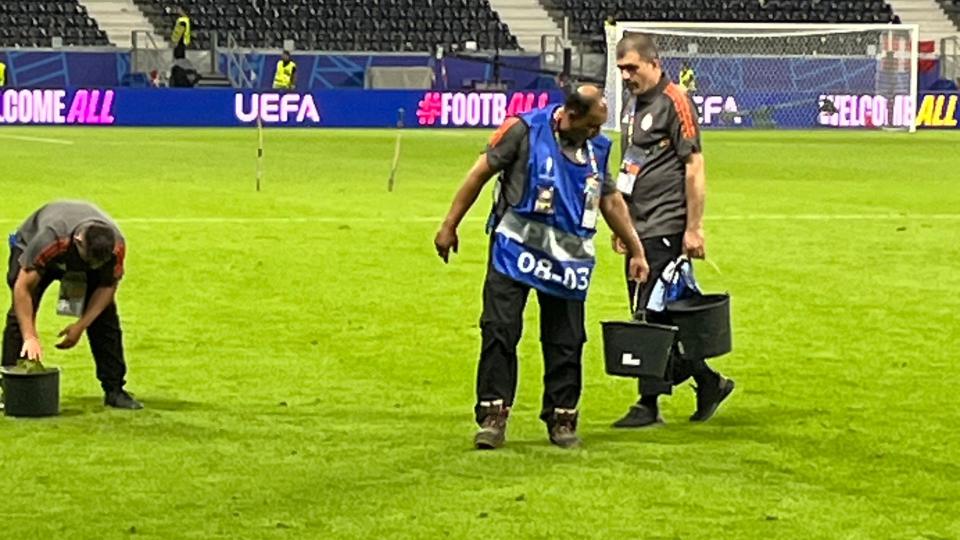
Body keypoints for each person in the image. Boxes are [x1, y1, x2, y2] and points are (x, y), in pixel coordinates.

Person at [434, 85, 650, 450]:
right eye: (590, 127)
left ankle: (562, 418)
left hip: (567, 261)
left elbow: (610, 200)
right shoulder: (523, 129)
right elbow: (478, 173)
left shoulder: (597, 148)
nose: (595, 134)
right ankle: (492, 416)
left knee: (566, 341)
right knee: (499, 330)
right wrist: (449, 225)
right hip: (514, 251)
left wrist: (636, 250)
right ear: (569, 116)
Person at [610, 34, 734, 428]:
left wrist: (694, 228)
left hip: (665, 223)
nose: (627, 76)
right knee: (650, 310)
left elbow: (694, 165)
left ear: (654, 63)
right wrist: (621, 220)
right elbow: (631, 164)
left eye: (632, 67)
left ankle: (649, 403)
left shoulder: (674, 101)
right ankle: (707, 381)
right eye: (622, 70)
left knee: (652, 309)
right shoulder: (632, 105)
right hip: (638, 225)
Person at [2, 201, 142, 409]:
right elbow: (23, 288)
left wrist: (81, 325)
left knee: (106, 317)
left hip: (75, 256)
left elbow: (106, 288)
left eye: (98, 263)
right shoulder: (50, 238)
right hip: (33, 248)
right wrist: (30, 336)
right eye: (90, 260)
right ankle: (8, 388)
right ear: (78, 242)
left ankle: (114, 390)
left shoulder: (115, 248)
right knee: (20, 316)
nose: (93, 266)